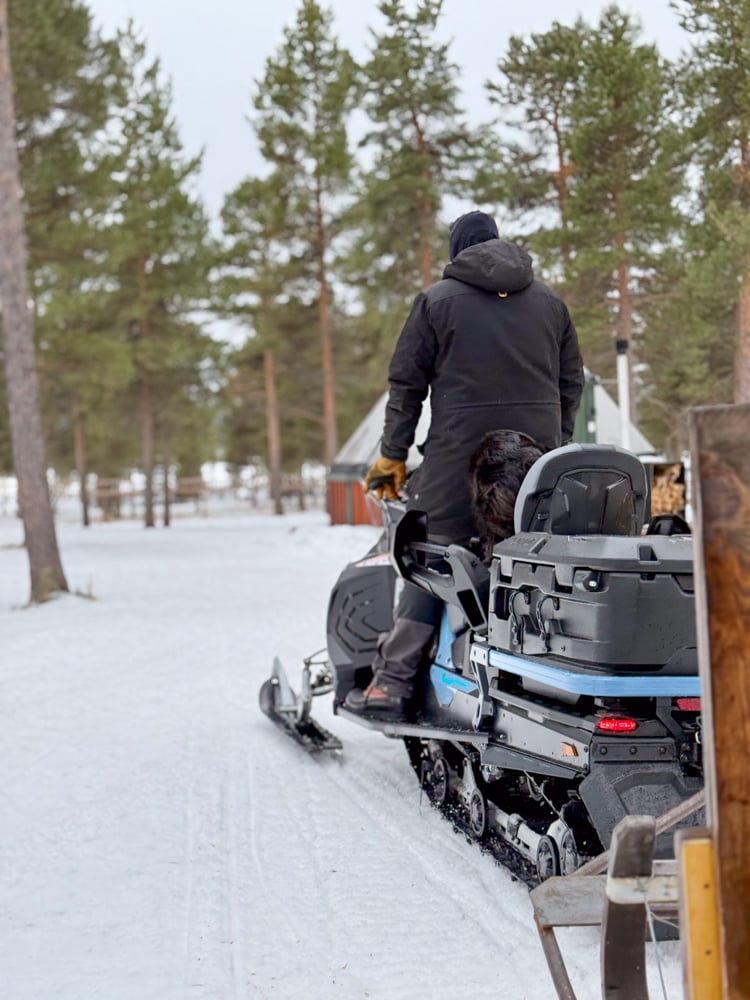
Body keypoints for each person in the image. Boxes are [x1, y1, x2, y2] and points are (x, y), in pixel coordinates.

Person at [344, 210, 584, 720]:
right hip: (533, 467)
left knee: (430, 556)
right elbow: (571, 385)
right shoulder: (551, 304)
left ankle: (392, 684)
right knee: (533, 560)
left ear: (457, 253)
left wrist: (392, 456)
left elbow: (406, 387)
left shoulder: (435, 302)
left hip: (456, 465)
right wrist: (552, 450)